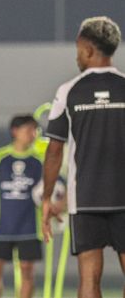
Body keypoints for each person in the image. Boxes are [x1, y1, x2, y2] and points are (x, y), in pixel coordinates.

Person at [42, 16, 125, 298]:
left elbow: (54, 151)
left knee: (89, 279)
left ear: (87, 49)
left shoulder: (68, 91)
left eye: (78, 48)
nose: (77, 55)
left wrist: (46, 198)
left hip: (86, 199)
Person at [0, 115, 45, 298]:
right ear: (15, 131)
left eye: (34, 130)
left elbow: (51, 189)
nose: (32, 134)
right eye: (28, 130)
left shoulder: (39, 159)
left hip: (30, 225)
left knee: (27, 270)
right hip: (2, 226)